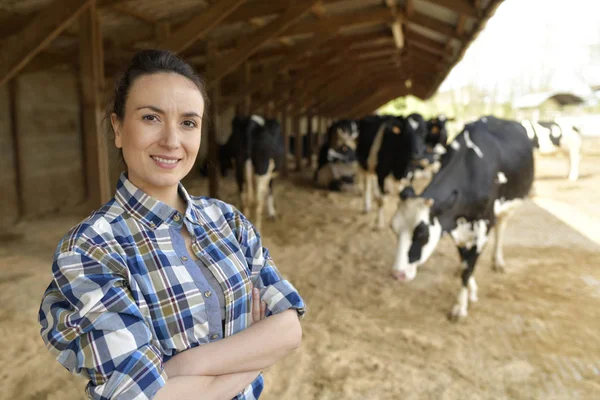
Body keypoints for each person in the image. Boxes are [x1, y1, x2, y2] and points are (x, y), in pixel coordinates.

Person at [38, 49, 306, 400]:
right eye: (151, 118)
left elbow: (289, 328)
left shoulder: (228, 221)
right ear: (117, 127)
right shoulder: (91, 247)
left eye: (188, 123)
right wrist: (256, 351)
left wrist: (178, 369)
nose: (171, 140)